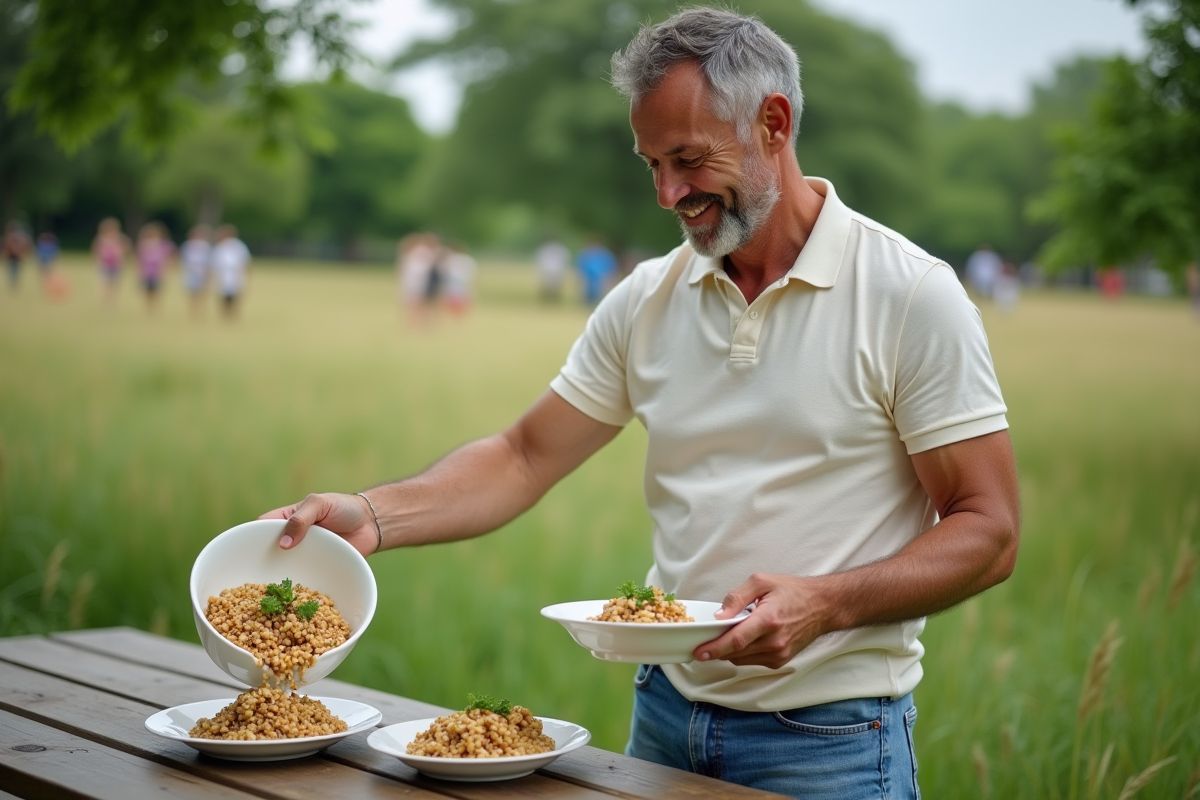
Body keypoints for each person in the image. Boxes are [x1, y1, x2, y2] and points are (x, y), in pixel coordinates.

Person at [262, 9, 1018, 799]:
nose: (667, 193)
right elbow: (524, 456)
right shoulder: (648, 298)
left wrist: (826, 604)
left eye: (688, 158)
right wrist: (373, 516)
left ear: (774, 123)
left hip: (830, 744)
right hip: (663, 717)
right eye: (651, 163)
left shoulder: (910, 295)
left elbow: (989, 531)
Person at [211, 224, 251, 320]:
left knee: (233, 295)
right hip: (224, 274)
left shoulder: (238, 246)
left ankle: (231, 314)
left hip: (234, 274)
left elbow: (244, 261)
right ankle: (226, 314)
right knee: (224, 295)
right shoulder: (221, 247)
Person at [136, 221, 175, 313]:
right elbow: (139, 260)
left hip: (157, 272)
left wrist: (166, 269)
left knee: (157, 292)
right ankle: (148, 309)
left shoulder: (163, 245)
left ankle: (156, 309)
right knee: (147, 292)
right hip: (147, 272)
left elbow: (169, 257)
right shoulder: (143, 245)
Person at [91, 218, 130, 305]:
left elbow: (126, 248)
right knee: (105, 283)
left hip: (116, 265)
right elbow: (95, 250)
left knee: (114, 283)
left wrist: (122, 256)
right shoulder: (101, 239)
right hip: (105, 265)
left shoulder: (120, 239)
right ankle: (105, 300)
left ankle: (112, 301)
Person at [180, 224, 213, 317]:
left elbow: (209, 261)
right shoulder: (187, 246)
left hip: (202, 272)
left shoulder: (206, 247)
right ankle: (193, 311)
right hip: (191, 272)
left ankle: (202, 311)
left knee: (203, 292)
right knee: (192, 292)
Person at [576, 237, 618, 306]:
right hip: (588, 281)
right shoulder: (585, 254)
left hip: (601, 281)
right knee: (587, 301)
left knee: (600, 301)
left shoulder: (606, 255)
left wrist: (609, 279)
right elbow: (580, 267)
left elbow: (612, 268)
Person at [535, 238, 571, 302]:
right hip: (548, 269)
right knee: (546, 284)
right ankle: (546, 297)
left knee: (556, 284)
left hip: (557, 269)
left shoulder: (560, 249)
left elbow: (564, 259)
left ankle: (554, 298)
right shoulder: (546, 249)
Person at [3, 221, 31, 291]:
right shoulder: (9, 237)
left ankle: (14, 283)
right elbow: (7, 246)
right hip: (11, 257)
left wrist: (22, 253)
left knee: (15, 270)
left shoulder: (17, 237)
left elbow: (23, 246)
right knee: (12, 270)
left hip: (16, 257)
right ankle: (13, 283)